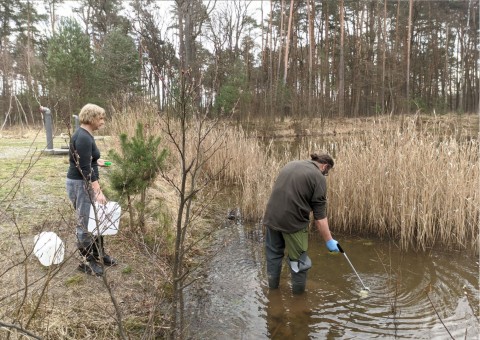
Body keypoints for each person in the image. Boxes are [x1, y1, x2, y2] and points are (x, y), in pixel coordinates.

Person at [263, 153, 339, 294]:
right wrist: (329, 241)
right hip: (293, 223)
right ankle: (299, 301)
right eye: (326, 172)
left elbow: (291, 193)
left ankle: (272, 292)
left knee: (273, 256)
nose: (325, 175)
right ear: (325, 166)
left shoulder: (290, 164)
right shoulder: (318, 177)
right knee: (299, 262)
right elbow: (320, 218)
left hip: (271, 217)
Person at [66, 103, 117, 276]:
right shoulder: (83, 137)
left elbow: (85, 160)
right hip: (80, 184)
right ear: (91, 118)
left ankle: (98, 254)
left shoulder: (87, 135)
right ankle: (86, 260)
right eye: (100, 118)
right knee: (84, 223)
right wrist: (97, 190)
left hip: (85, 183)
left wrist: (97, 162)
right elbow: (84, 168)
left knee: (97, 220)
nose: (102, 121)